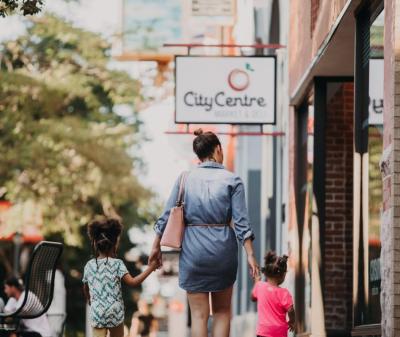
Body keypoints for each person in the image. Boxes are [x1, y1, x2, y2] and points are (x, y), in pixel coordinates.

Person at [149, 129, 259, 337]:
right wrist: (250, 255)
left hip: (193, 253)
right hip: (223, 252)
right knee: (222, 312)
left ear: (198, 155)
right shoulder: (232, 180)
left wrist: (156, 245)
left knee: (199, 315)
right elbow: (242, 222)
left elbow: (166, 215)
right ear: (218, 149)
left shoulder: (185, 178)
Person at [82, 216, 159, 337]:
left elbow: (86, 288)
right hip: (115, 312)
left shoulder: (89, 266)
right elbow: (133, 282)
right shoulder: (117, 264)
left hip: (97, 312)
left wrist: (91, 300)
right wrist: (151, 268)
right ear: (114, 244)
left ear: (95, 244)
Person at [251, 251, 296, 337]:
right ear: (283, 275)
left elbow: (253, 297)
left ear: (266, 271)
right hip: (279, 332)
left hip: (264, 331)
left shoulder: (260, 286)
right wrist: (292, 320)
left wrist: (256, 281)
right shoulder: (284, 293)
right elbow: (290, 310)